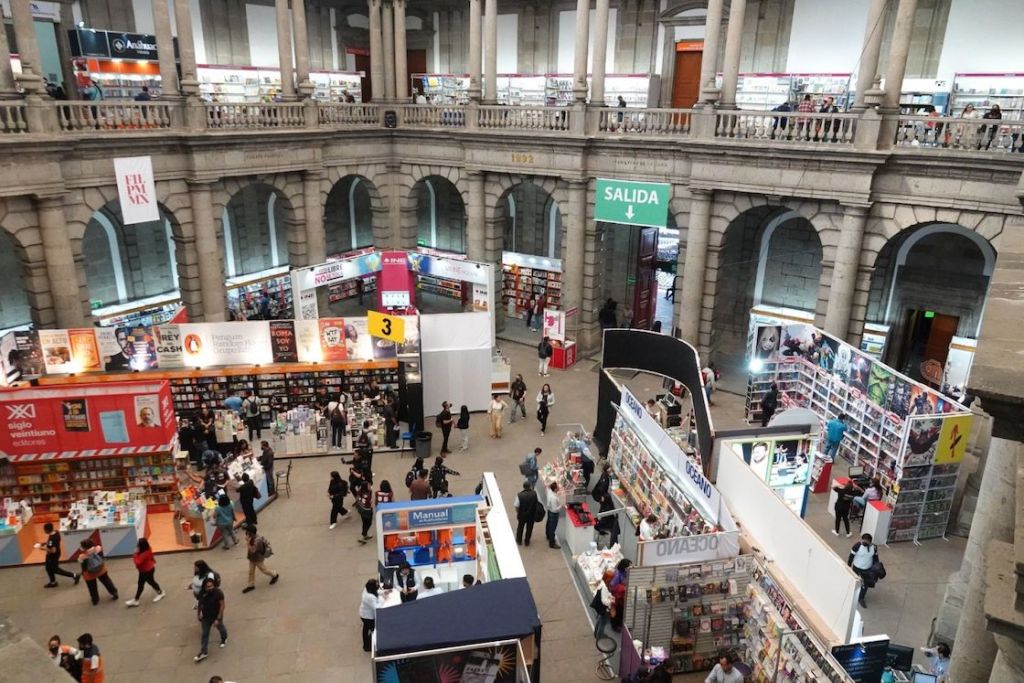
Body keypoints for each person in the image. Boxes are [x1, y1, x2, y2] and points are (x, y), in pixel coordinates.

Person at [36, 521, 80, 588]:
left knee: (56, 569)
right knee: (48, 568)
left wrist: (42, 548)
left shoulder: (51, 539)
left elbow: (53, 550)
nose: (44, 531)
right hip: (56, 554)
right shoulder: (56, 532)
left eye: (44, 530)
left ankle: (74, 575)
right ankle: (53, 582)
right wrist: (44, 543)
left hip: (52, 556)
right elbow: (52, 543)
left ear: (47, 530)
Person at [194, 576, 227, 663]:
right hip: (206, 617)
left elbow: (222, 605)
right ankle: (204, 651)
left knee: (221, 628)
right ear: (204, 587)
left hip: (216, 615)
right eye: (208, 586)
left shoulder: (218, 593)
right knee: (205, 633)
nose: (210, 588)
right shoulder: (202, 593)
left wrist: (218, 618)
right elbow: (200, 604)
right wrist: (198, 614)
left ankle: (224, 638)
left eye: (211, 586)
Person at [125, 538, 164, 607]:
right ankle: (136, 600)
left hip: (147, 571)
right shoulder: (147, 549)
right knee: (141, 584)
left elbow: (138, 562)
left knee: (150, 582)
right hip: (145, 570)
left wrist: (135, 554)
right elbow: (151, 556)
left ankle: (160, 593)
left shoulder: (144, 553)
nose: (137, 546)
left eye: (138, 545)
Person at [79, 539, 118, 605]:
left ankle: (95, 599)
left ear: (85, 547)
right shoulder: (98, 549)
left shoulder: (82, 556)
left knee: (92, 587)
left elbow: (84, 567)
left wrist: (83, 573)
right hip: (101, 570)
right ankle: (114, 592)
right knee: (107, 581)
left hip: (89, 574)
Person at [242, 526, 279, 593]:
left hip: (258, 559)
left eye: (247, 532)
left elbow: (253, 550)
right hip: (252, 558)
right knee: (251, 572)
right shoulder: (251, 537)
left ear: (251, 533)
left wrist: (247, 542)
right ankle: (251, 585)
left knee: (264, 570)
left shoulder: (257, 540)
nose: (246, 533)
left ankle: (275, 575)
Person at [848, 533, 877, 608]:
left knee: (865, 585)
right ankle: (851, 595)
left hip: (867, 569)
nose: (863, 543)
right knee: (855, 582)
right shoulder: (857, 546)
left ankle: (861, 598)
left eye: (866, 542)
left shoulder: (874, 547)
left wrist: (876, 568)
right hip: (856, 568)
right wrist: (848, 567)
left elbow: (875, 558)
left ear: (870, 542)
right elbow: (851, 556)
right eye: (863, 541)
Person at [359, 578, 383, 652]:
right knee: (373, 630)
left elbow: (376, 592)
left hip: (364, 614)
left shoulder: (367, 590)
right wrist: (383, 599)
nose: (378, 586)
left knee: (366, 628)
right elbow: (376, 607)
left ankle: (366, 645)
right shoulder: (369, 597)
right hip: (368, 617)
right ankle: (368, 645)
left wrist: (383, 592)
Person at [514, 481, 540, 546]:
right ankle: (527, 541)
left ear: (523, 487)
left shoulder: (519, 495)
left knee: (520, 528)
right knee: (529, 528)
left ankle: (519, 540)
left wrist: (518, 512)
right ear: (530, 486)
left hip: (522, 515)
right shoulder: (534, 494)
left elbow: (516, 506)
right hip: (531, 515)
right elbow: (536, 503)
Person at [544, 481, 562, 549]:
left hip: (549, 511)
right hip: (553, 514)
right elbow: (555, 509)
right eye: (558, 487)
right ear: (555, 489)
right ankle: (552, 543)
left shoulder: (549, 491)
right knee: (552, 528)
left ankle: (548, 535)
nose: (559, 488)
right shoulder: (554, 498)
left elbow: (548, 486)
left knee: (548, 524)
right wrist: (561, 505)